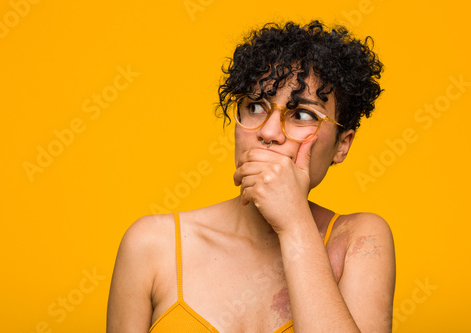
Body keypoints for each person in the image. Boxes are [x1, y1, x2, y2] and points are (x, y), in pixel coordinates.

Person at [107, 20, 396, 333]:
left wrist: (295, 224)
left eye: (301, 115)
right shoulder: (150, 245)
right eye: (256, 107)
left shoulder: (360, 241)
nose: (269, 133)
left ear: (342, 145)